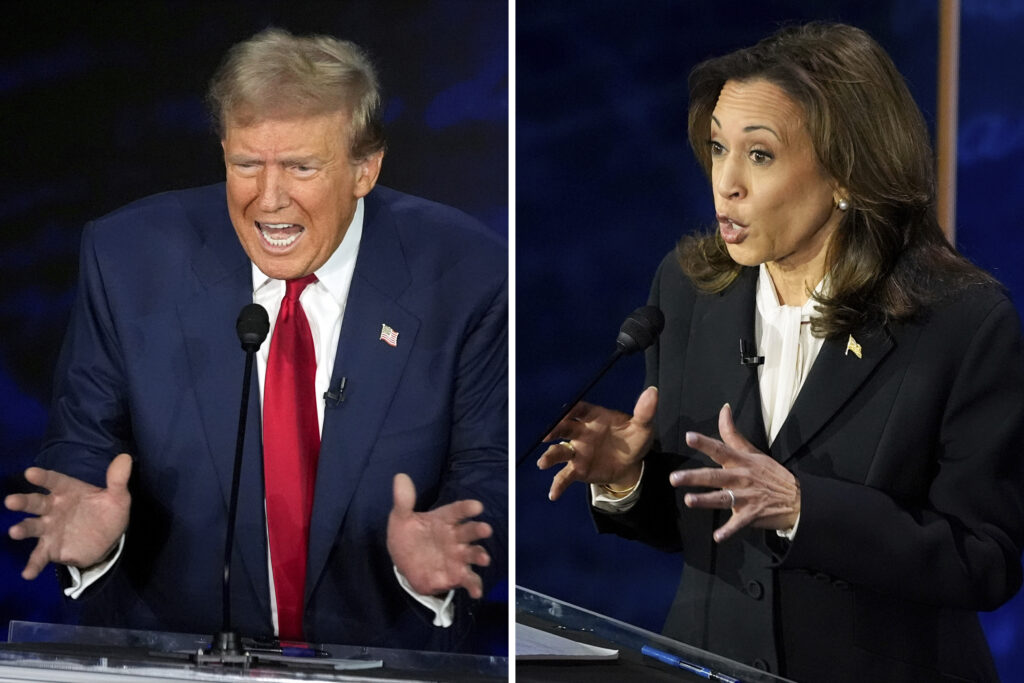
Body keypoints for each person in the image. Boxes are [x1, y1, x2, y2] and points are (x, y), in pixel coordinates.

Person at [538, 22, 1024, 682]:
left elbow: (985, 560)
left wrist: (804, 508)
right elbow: (706, 524)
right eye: (717, 149)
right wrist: (629, 480)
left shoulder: (960, 322)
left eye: (759, 155)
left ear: (848, 172)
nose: (726, 183)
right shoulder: (686, 291)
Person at [4, 28, 506, 653]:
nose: (268, 200)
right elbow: (84, 446)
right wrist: (91, 541)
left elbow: (487, 467)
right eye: (246, 164)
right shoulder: (127, 259)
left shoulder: (465, 273)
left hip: (386, 654)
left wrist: (445, 550)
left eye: (300, 166)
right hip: (172, 655)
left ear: (364, 169)